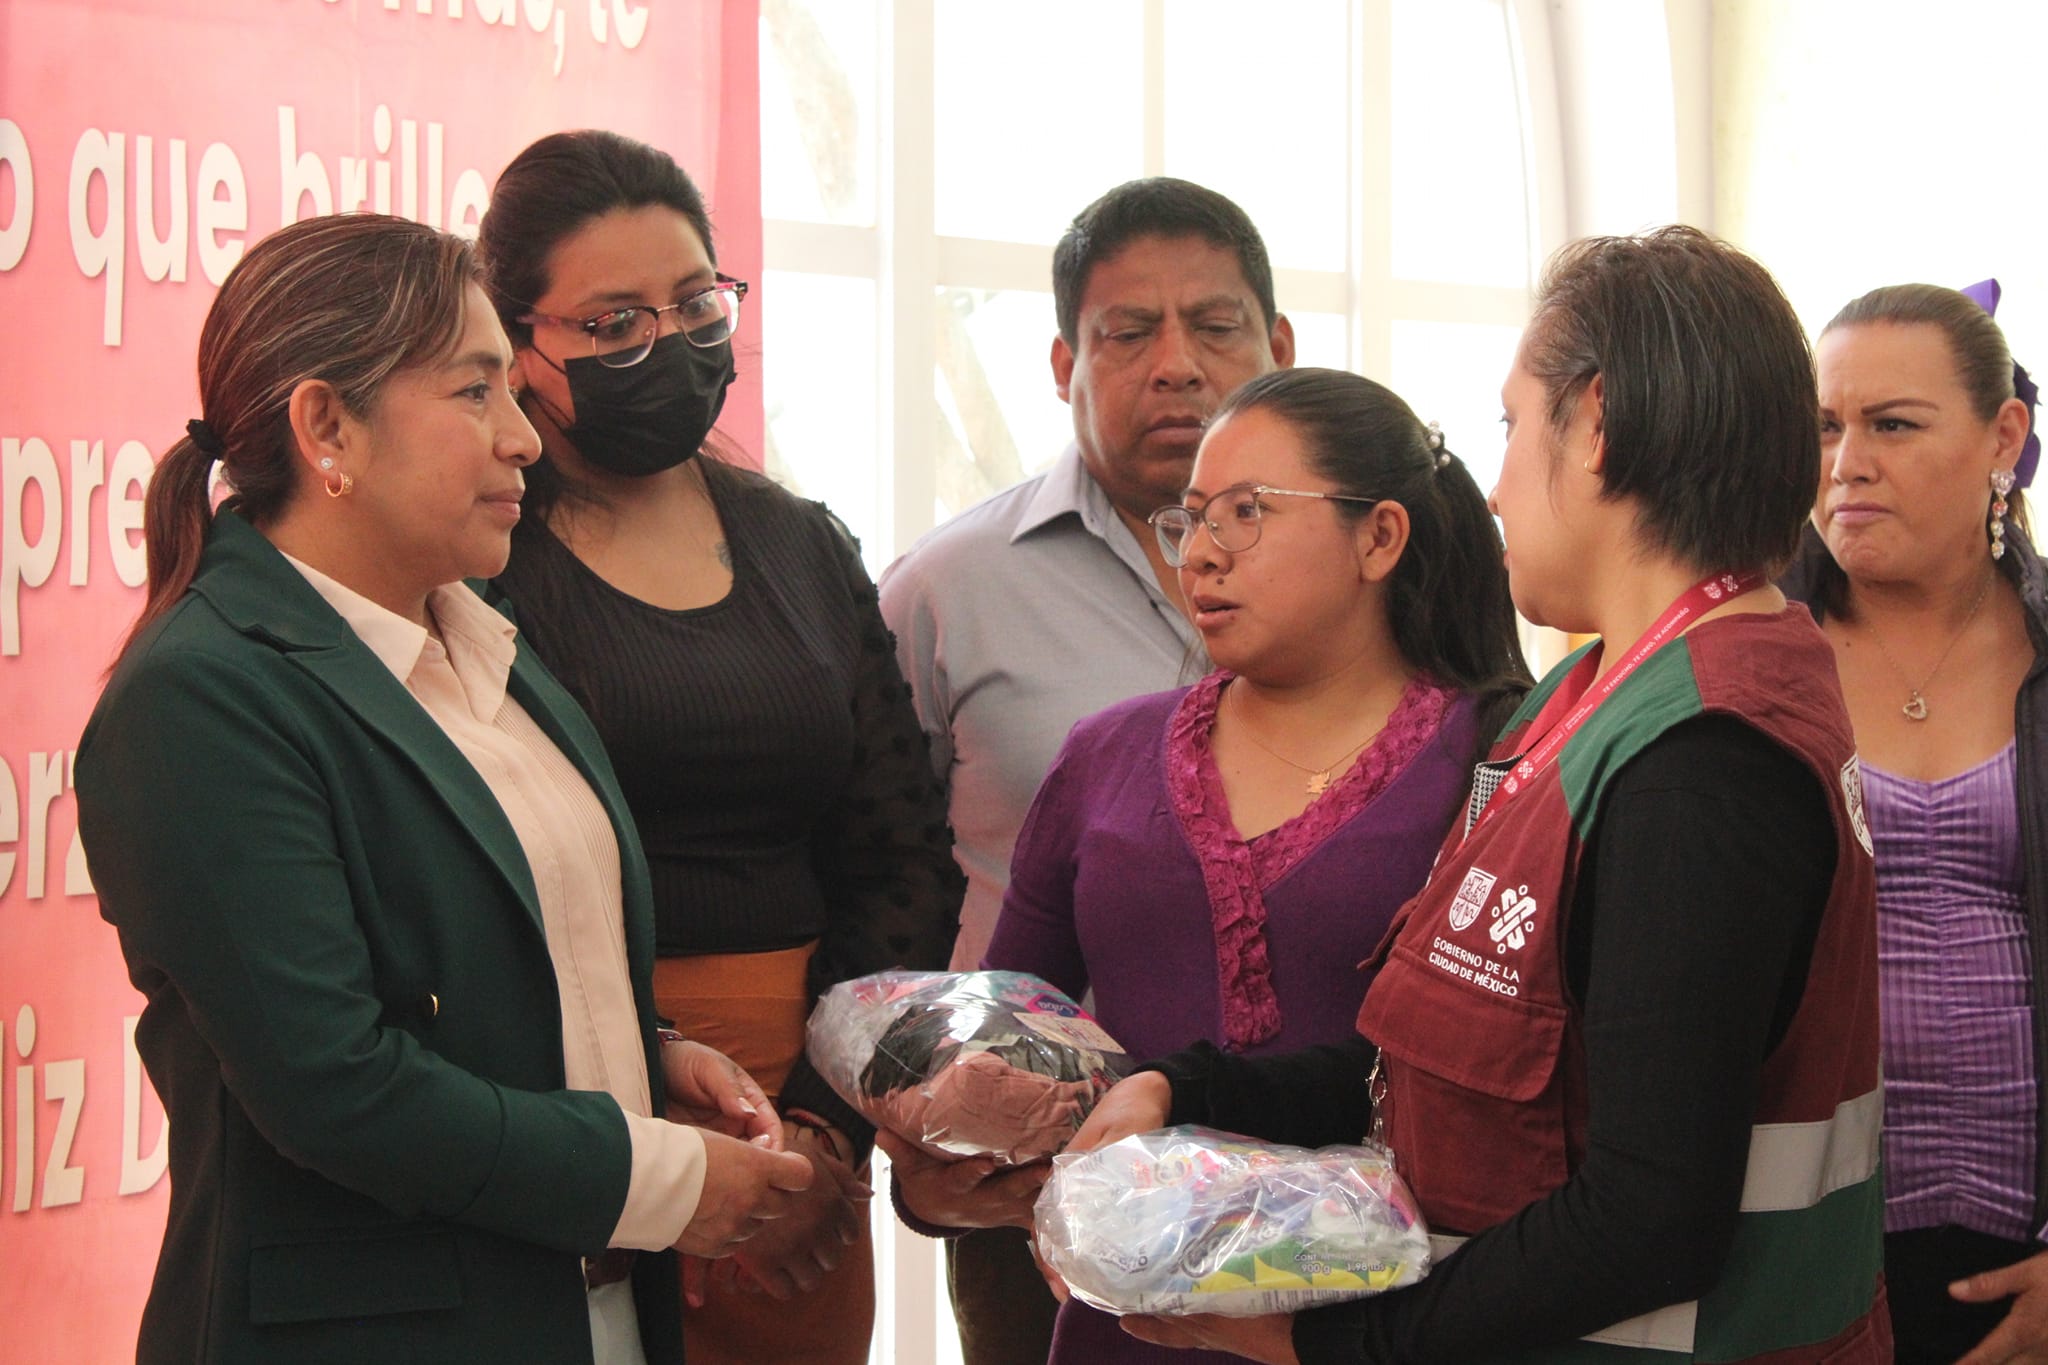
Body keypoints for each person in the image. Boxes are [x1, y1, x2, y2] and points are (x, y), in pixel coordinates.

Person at [1061, 226, 1889, 1364]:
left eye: (1509, 427)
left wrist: (1320, 1345)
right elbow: (1455, 1075)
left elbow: (1646, 1221)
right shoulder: (1591, 697)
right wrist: (1186, 1089)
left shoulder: (1702, 759)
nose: (1491, 489)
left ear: (1594, 424)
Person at [75, 213, 818, 1365]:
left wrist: (642, 1046)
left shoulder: (486, 636)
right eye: (476, 394)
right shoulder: (205, 700)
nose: (524, 439)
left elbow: (487, 944)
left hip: (592, 1314)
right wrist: (661, 1180)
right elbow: (336, 1085)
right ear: (328, 428)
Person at [885, 366, 1529, 1364]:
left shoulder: (1494, 759)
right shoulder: (1105, 755)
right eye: (1190, 520)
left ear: (1379, 537)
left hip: (1380, 1323)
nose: (1203, 554)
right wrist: (943, 1166)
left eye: (1248, 512)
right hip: (1126, 1324)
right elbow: (1011, 1034)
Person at [476, 129, 963, 1365]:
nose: (670, 345)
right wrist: (648, 1123)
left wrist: (817, 1134)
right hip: (567, 1098)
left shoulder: (797, 543)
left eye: (695, 304)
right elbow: (469, 871)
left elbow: (901, 853)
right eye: (612, 323)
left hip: (804, 1117)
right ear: (516, 344)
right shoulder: (476, 557)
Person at [878, 175, 1295, 1365]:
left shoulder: (1364, 582)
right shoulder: (945, 591)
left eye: (1213, 327)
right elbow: (881, 868)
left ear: (1277, 346)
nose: (1173, 365)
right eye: (1126, 334)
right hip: (1033, 1183)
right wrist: (917, 1136)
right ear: (1061, 363)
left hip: (1306, 1172)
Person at [1781, 280, 2048, 1365]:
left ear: (2002, 436)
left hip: (2020, 1250)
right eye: (1824, 427)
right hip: (1793, 1249)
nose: (1847, 461)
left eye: (1891, 424)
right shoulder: (1750, 658)